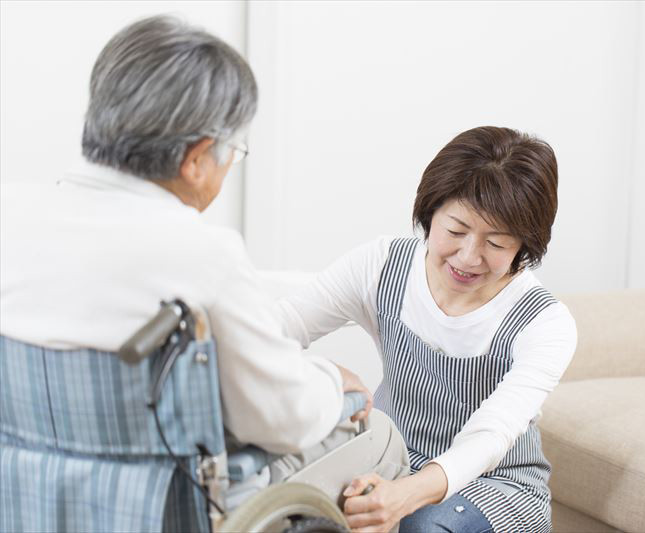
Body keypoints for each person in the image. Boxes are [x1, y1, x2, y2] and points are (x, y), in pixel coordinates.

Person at [0, 14, 406, 510]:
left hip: (25, 499)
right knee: (380, 436)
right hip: (163, 509)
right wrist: (326, 378)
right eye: (232, 150)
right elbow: (283, 417)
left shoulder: (9, 216)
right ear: (195, 158)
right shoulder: (199, 254)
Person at [275, 126, 577, 532]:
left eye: (497, 243)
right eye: (455, 231)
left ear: (524, 245)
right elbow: (275, 330)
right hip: (386, 456)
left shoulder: (544, 323)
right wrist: (325, 375)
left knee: (419, 527)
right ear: (430, 211)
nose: (469, 257)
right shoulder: (381, 266)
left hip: (494, 485)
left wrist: (405, 496)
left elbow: (489, 438)